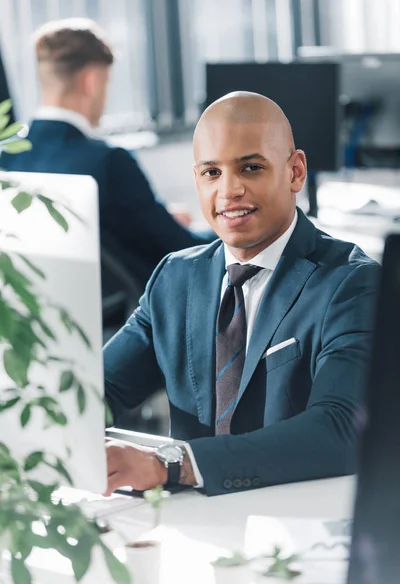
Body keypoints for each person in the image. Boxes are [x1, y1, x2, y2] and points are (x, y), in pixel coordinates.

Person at [104, 91, 380, 497]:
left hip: (295, 525)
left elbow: (340, 428)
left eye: (250, 167)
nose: (229, 190)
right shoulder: (175, 278)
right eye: (211, 172)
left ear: (295, 172)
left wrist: (172, 465)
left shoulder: (351, 285)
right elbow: (99, 389)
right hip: (193, 524)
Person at [0, 19, 215, 289]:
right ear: (91, 81)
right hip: (135, 314)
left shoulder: (8, 155)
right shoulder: (109, 161)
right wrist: (225, 230)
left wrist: (161, 218)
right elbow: (183, 250)